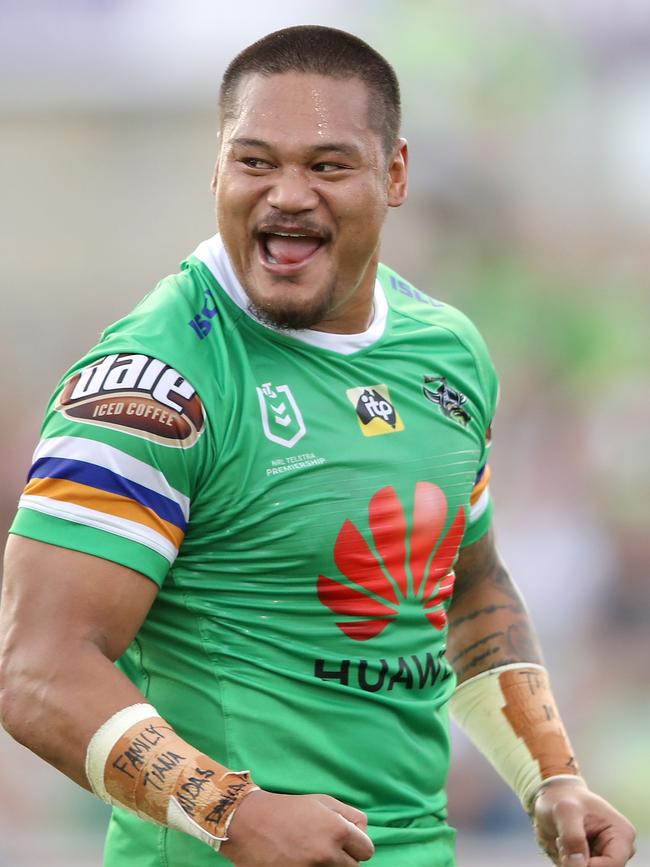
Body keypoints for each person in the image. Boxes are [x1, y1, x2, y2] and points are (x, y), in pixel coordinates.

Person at [0, 24, 636, 867]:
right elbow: (39, 670)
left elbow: (468, 588)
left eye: (327, 166)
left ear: (395, 173)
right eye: (256, 161)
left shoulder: (446, 351)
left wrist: (550, 776)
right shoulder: (153, 383)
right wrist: (231, 810)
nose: (287, 195)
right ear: (217, 167)